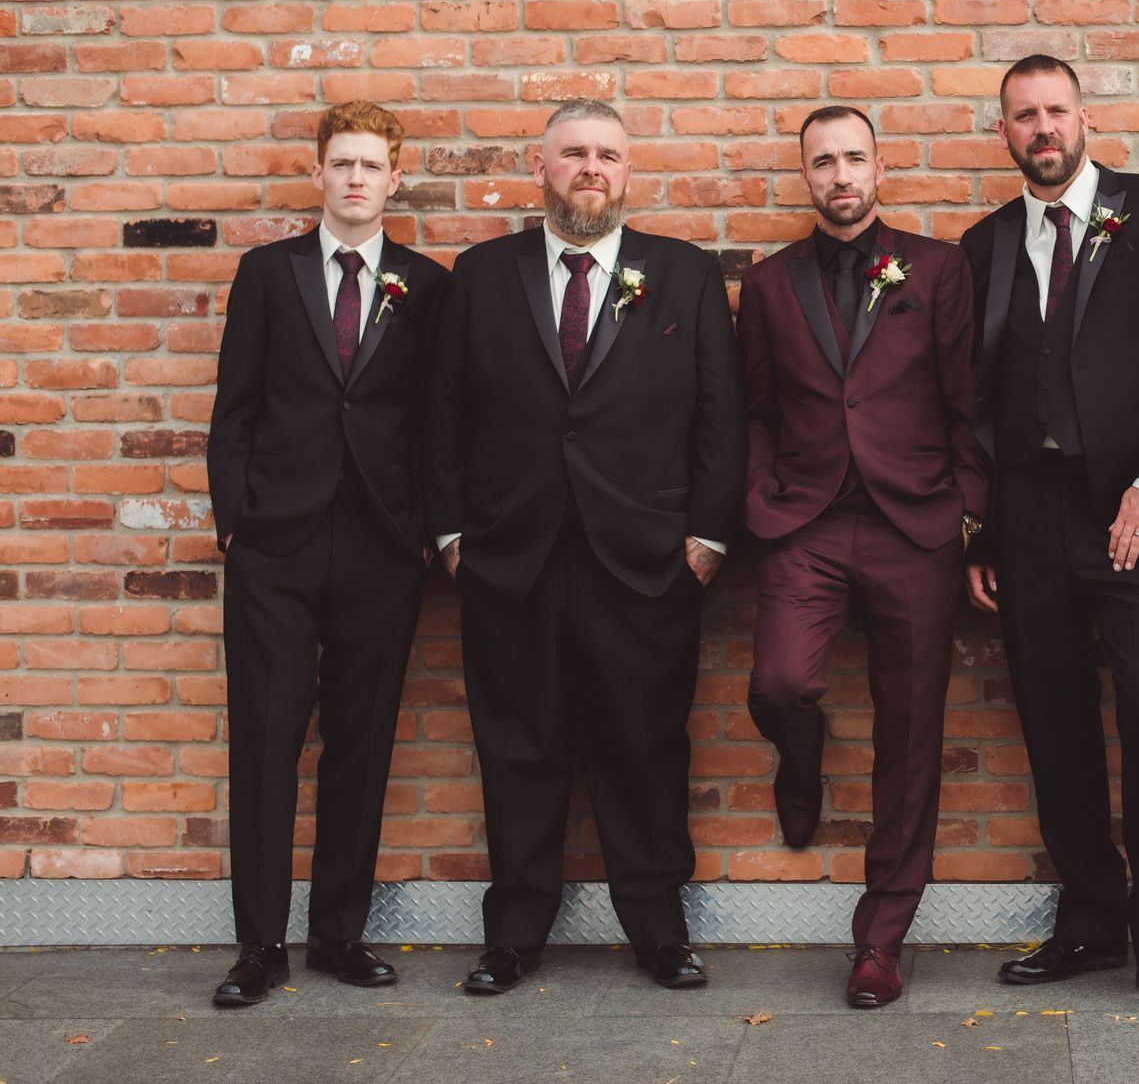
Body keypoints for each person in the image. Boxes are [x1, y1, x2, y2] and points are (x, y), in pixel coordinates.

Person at [423, 99, 745, 994]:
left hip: (645, 563)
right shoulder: (481, 274)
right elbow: (441, 412)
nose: (590, 168)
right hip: (508, 560)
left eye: (607, 154)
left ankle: (659, 928)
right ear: (541, 165)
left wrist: (709, 538)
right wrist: (452, 536)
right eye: (573, 153)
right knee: (517, 746)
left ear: (629, 172)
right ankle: (514, 932)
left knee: (644, 746)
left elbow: (722, 418)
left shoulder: (681, 274)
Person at [961, 56, 1139, 1014]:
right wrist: (982, 531)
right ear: (1004, 133)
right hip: (1029, 515)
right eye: (1024, 115)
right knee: (1052, 714)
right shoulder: (983, 242)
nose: (1043, 127)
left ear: (1085, 119)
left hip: (1135, 514)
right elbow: (975, 400)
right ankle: (1088, 918)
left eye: (1057, 110)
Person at [736, 105, 990, 1007]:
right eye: (822, 162)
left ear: (880, 166)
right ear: (805, 176)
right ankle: (798, 756)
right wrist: (763, 493)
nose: (840, 175)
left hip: (913, 525)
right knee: (779, 684)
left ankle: (879, 938)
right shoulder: (769, 285)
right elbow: (757, 408)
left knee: (910, 737)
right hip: (804, 523)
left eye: (853, 158)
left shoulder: (937, 267)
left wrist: (970, 513)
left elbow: (967, 398)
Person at [207, 101, 449, 1006]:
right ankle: (257, 945)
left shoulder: (427, 284)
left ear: (395, 177)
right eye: (340, 163)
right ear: (318, 175)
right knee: (268, 740)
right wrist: (236, 521)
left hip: (383, 545)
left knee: (361, 740)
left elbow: (435, 418)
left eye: (371, 165)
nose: (355, 179)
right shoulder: (266, 274)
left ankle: (339, 932)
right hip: (276, 543)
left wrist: (424, 528)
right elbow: (234, 407)